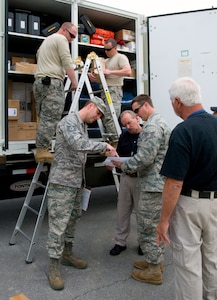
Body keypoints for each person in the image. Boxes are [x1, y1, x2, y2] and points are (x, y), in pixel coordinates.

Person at [46, 96, 118, 291]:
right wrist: (105, 146)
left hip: (77, 181)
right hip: (62, 182)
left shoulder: (82, 125)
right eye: (97, 114)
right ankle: (53, 266)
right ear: (90, 106)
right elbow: (78, 144)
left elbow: (80, 151)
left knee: (73, 219)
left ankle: (67, 254)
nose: (97, 118)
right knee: (58, 224)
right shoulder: (69, 122)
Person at [156, 77, 217, 299]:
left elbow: (174, 183)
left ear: (178, 102)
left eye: (172, 102)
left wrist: (164, 221)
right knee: (212, 260)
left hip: (190, 205)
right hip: (215, 203)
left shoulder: (183, 131)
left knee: (188, 264)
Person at [112, 94, 171, 285]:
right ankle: (155, 261)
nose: (137, 116)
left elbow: (145, 158)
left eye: (137, 111)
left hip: (152, 186)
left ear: (146, 106)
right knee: (152, 226)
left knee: (148, 227)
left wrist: (124, 167)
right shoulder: (160, 122)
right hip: (155, 184)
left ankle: (154, 270)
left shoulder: (152, 126)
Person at [33, 22, 78, 163]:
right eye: (71, 35)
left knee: (44, 116)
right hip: (52, 82)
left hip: (40, 82)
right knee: (51, 117)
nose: (72, 39)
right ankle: (42, 150)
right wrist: (75, 82)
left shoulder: (47, 41)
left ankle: (42, 147)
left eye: (74, 37)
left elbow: (41, 58)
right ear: (64, 30)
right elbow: (66, 62)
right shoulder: (61, 39)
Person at [109, 110, 143, 256]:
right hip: (126, 177)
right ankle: (120, 242)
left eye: (129, 123)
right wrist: (112, 160)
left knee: (142, 212)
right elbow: (119, 156)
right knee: (122, 211)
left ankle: (144, 242)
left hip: (141, 179)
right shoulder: (124, 136)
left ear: (137, 118)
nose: (128, 127)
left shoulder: (147, 135)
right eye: (124, 125)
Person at [89, 38, 132, 146]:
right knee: (102, 116)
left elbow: (128, 71)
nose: (106, 52)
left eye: (108, 49)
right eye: (105, 49)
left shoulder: (120, 57)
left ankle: (116, 143)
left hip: (113, 90)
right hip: (104, 90)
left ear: (115, 48)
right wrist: (93, 76)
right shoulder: (105, 61)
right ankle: (110, 142)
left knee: (110, 117)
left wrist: (110, 71)